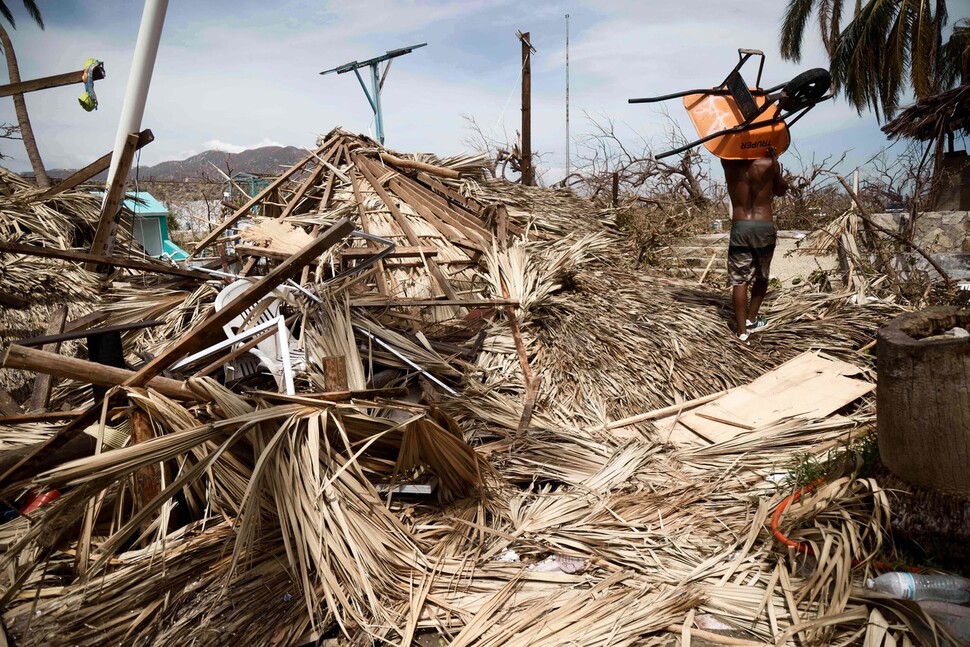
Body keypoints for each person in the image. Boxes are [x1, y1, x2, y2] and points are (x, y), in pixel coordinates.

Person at [721, 147, 788, 341]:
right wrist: (775, 166)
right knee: (762, 275)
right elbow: (781, 190)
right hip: (763, 226)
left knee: (739, 279)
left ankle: (742, 332)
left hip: (740, 226)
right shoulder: (769, 163)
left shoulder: (728, 162)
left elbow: (720, 147)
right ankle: (751, 318)